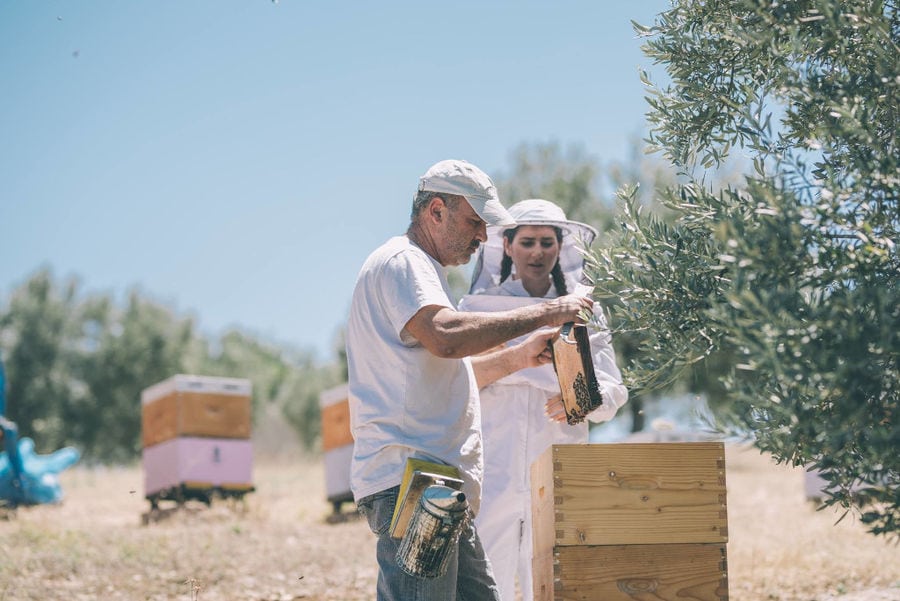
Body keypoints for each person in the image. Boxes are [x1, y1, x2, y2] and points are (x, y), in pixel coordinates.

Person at [346, 160, 596, 601]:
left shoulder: (422, 271)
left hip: (438, 487)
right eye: (475, 222)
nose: (483, 236)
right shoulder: (406, 261)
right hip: (415, 483)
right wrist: (552, 310)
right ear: (436, 210)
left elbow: (451, 373)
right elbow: (446, 338)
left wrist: (518, 357)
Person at [458, 198, 629, 601]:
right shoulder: (476, 310)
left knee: (555, 576)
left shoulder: (587, 312)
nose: (538, 252)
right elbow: (457, 381)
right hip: (491, 466)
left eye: (547, 243)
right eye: (529, 242)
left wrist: (581, 399)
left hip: (557, 462)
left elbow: (613, 391)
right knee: (485, 576)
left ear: (561, 248)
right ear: (509, 246)